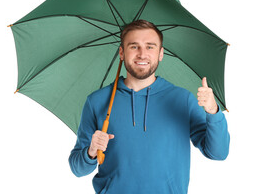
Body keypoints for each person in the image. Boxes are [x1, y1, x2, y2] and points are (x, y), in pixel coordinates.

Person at [69, 20, 230, 194]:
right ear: (121, 52)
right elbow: (77, 168)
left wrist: (213, 111)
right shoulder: (97, 101)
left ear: (161, 54)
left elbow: (218, 153)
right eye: (134, 46)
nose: (142, 54)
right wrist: (91, 151)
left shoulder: (182, 99)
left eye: (150, 47)